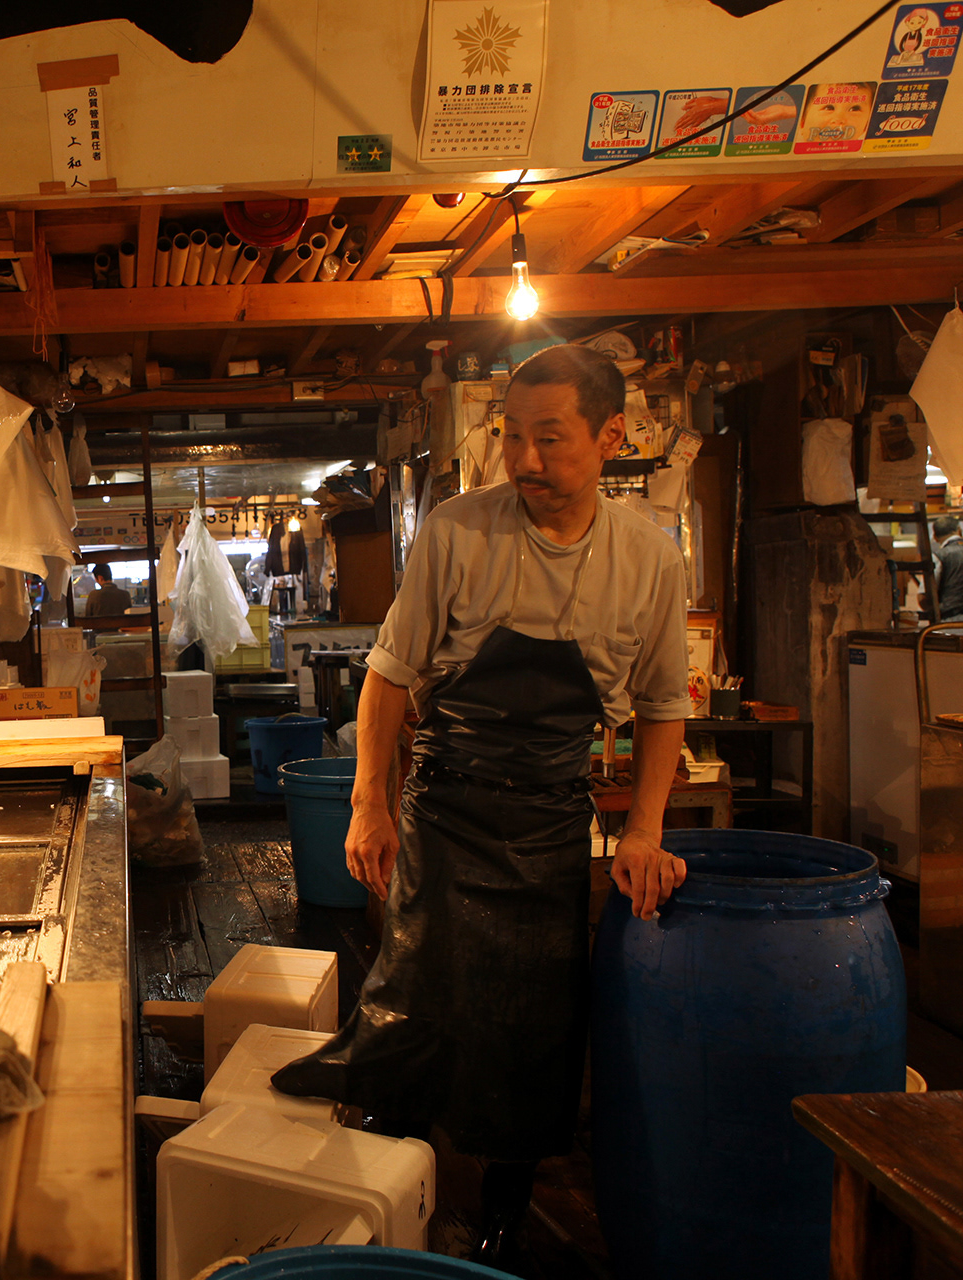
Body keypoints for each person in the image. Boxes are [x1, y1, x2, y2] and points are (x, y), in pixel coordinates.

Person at [272, 343, 691, 1267]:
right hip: (448, 806)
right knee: (413, 997)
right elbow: (387, 678)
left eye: (551, 440)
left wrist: (645, 829)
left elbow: (663, 706)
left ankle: (502, 1208)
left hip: (549, 818)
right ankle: (385, 1176)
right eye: (512, 439)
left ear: (611, 437)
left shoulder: (650, 563)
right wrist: (368, 806)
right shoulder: (459, 531)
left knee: (532, 1029)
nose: (527, 462)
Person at [932, 516, 963, 622]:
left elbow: (925, 596)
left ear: (935, 537)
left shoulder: (939, 556)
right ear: (959, 531)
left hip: (951, 620)